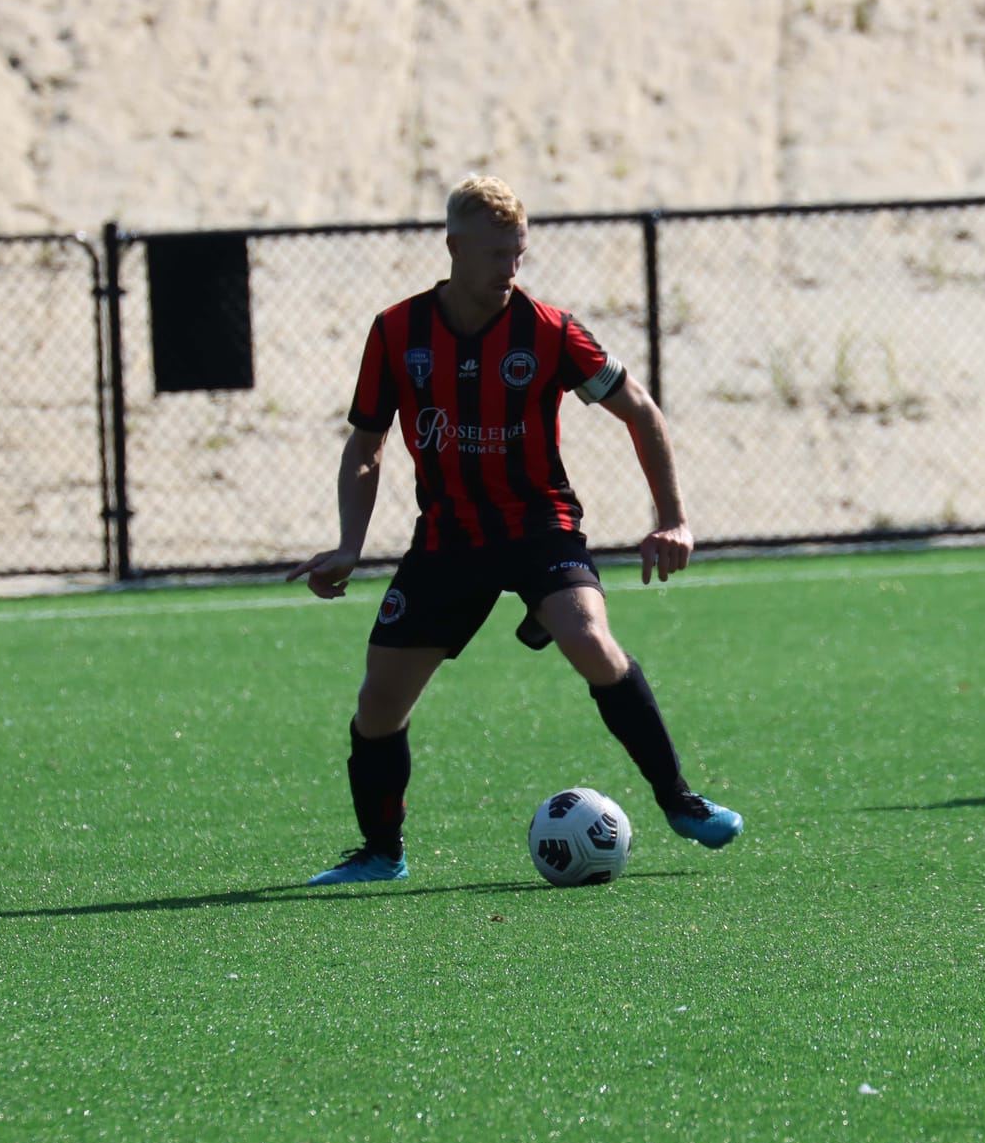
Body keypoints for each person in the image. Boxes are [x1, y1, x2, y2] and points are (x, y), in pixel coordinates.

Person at [286, 175, 743, 885]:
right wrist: (349, 543)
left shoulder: (551, 331)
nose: (511, 268)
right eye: (498, 253)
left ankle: (680, 802)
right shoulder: (397, 331)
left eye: (519, 253)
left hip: (539, 525)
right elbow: (366, 444)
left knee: (589, 636)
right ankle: (381, 852)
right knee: (379, 701)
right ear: (454, 248)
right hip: (447, 538)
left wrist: (673, 518)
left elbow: (641, 411)